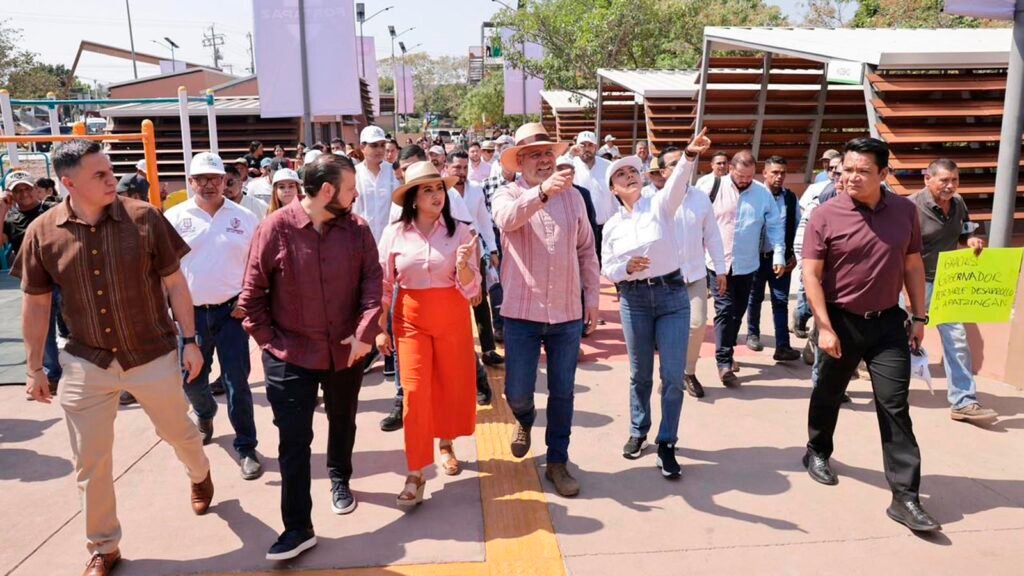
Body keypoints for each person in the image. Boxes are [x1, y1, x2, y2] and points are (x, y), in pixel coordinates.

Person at [14, 139, 214, 576]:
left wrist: (191, 339)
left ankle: (199, 473)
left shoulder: (145, 219)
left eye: (110, 171)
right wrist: (34, 369)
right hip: (87, 362)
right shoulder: (42, 233)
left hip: (152, 354)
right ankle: (105, 545)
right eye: (100, 175)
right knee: (91, 460)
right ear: (69, 183)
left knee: (179, 432)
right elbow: (36, 305)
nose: (112, 180)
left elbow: (176, 285)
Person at [239, 153, 382, 560]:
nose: (355, 196)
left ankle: (340, 478)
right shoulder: (276, 229)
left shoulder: (357, 230)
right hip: (290, 355)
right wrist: (270, 343)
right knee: (294, 440)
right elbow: (251, 296)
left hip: (345, 351)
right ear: (326, 191)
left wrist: (364, 333)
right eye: (351, 189)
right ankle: (298, 527)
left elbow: (373, 281)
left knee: (343, 420)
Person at [802, 137, 940, 532]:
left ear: (884, 174)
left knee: (894, 405)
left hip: (887, 325)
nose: (851, 178)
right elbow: (811, 274)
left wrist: (918, 316)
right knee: (828, 392)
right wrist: (824, 327)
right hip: (840, 322)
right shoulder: (825, 215)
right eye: (847, 169)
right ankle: (817, 450)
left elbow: (913, 264)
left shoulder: (903, 212)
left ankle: (905, 497)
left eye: (862, 171)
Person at [491, 123, 600, 497]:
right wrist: (540, 193)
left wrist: (593, 298)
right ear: (519, 161)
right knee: (517, 391)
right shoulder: (506, 193)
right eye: (534, 155)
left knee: (563, 391)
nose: (543, 160)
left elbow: (586, 250)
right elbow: (507, 220)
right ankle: (524, 418)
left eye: (547, 153)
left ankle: (557, 461)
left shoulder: (575, 199)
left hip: (567, 313)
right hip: (522, 313)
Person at [601, 131, 710, 478]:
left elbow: (677, 182)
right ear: (613, 189)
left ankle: (667, 442)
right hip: (634, 301)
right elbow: (608, 266)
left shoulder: (660, 205)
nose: (630, 176)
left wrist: (690, 155)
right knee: (640, 375)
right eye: (621, 174)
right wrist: (626, 268)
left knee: (673, 376)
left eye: (634, 171)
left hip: (672, 297)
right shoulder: (613, 226)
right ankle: (638, 430)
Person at [376, 161, 480, 508]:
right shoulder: (394, 233)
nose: (437, 196)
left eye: (440, 189)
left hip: (452, 315)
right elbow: (383, 284)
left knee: (450, 384)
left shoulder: (461, 232)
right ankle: (416, 471)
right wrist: (378, 328)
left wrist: (464, 266)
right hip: (410, 320)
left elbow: (474, 291)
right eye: (428, 190)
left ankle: (447, 444)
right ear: (413, 198)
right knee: (416, 393)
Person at [164, 152, 262, 480]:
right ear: (190, 181)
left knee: (237, 383)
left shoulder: (245, 218)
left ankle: (246, 446)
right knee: (190, 378)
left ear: (226, 181)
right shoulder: (174, 217)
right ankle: (205, 413)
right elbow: (163, 269)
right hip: (189, 314)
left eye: (215, 179)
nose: (208, 185)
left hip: (232, 312)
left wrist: (247, 301)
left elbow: (258, 266)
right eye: (200, 179)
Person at [910, 159, 997, 423]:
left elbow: (964, 232)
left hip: (947, 284)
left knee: (957, 340)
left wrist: (970, 240)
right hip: (914, 283)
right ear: (928, 179)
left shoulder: (958, 204)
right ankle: (890, 392)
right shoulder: (910, 207)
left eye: (955, 180)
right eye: (944, 180)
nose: (950, 186)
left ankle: (964, 402)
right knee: (904, 341)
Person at [697, 150, 784, 386]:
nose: (745, 180)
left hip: (747, 264)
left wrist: (779, 254)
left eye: (749, 176)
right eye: (741, 175)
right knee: (724, 309)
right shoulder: (710, 186)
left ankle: (728, 349)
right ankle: (723, 362)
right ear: (730, 169)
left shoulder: (762, 193)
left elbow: (775, 224)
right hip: (718, 263)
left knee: (739, 309)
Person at [652, 147, 727, 400]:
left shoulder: (701, 198)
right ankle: (668, 374)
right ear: (663, 172)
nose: (683, 167)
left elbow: (713, 236)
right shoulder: (653, 200)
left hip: (694, 274)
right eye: (674, 164)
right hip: (664, 278)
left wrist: (720, 269)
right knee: (666, 332)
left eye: (684, 162)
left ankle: (688, 371)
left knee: (696, 325)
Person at [3, 171, 63, 395]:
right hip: (35, 283)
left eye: (27, 188)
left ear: (36, 189)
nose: (24, 193)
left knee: (75, 326)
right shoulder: (10, 219)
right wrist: (2, 208)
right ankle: (52, 374)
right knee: (42, 330)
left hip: (61, 277)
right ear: (11, 194)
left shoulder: (52, 210)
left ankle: (86, 371)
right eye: (18, 190)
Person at [447, 151, 503, 366]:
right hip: (450, 257)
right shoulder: (441, 191)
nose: (461, 172)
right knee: (455, 305)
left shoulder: (477, 190)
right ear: (447, 168)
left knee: (480, 301)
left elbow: (484, 222)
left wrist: (494, 249)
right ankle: (460, 352)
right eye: (457, 168)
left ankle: (488, 350)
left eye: (464, 168)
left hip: (475, 253)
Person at [744, 156, 801, 362]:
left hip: (781, 261)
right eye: (775, 172)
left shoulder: (790, 198)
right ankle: (753, 334)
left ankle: (783, 346)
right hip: (756, 259)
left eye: (782, 173)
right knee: (755, 297)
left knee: (780, 301)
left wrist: (792, 254)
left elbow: (795, 227)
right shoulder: (755, 195)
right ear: (765, 173)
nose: (779, 177)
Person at [793, 155, 842, 339]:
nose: (840, 179)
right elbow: (801, 237)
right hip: (822, 274)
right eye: (836, 173)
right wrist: (806, 269)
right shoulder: (819, 200)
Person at [571, 131, 615, 266]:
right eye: (582, 145)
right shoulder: (570, 165)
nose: (586, 148)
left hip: (605, 227)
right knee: (583, 265)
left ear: (596, 147)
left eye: (590, 145)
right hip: (580, 228)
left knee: (605, 265)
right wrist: (569, 154)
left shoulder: (608, 166)